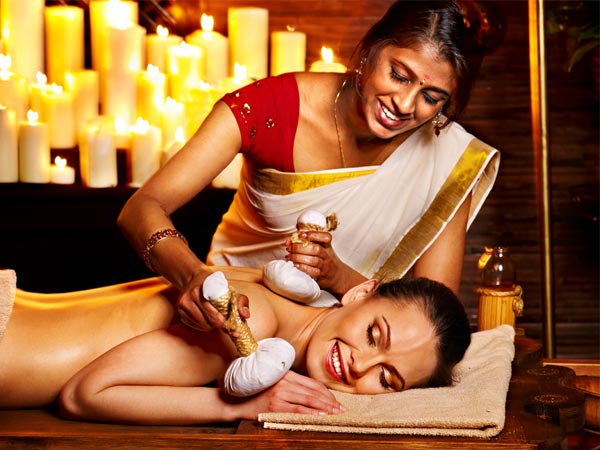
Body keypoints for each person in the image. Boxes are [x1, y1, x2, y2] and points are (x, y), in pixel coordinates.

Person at [117, 1, 499, 332]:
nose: (404, 104)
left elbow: (429, 321)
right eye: (398, 75)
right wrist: (193, 277)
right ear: (371, 50)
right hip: (232, 316)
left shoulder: (448, 157)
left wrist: (338, 277)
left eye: (431, 97)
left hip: (349, 344)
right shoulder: (268, 108)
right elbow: (142, 207)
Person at [0, 267, 471, 425]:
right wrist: (240, 407)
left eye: (386, 379)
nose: (359, 365)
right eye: (374, 334)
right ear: (361, 293)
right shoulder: (251, 323)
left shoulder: (273, 294)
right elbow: (84, 394)